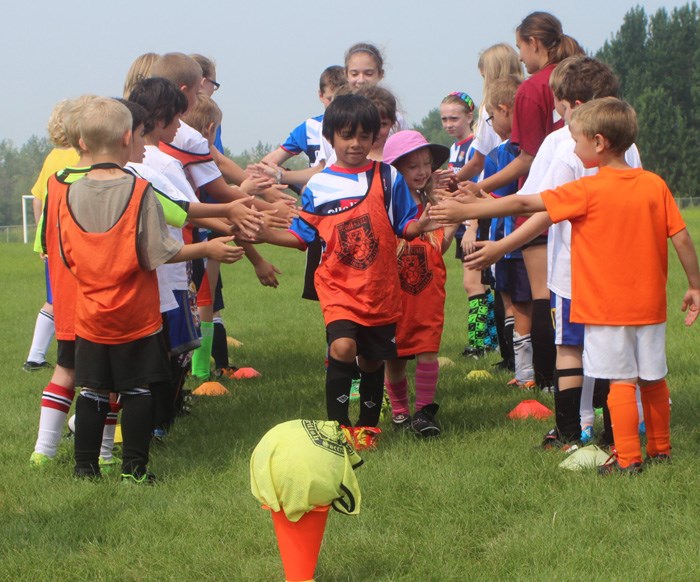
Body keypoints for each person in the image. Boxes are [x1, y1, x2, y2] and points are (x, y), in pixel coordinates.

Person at [432, 97, 700, 474]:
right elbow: (683, 238)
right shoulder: (654, 184)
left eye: (577, 140)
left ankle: (627, 458)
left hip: (607, 310)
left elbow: (526, 204)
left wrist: (467, 211)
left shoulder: (587, 190)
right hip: (650, 307)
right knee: (652, 378)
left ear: (600, 142)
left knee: (621, 381)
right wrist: (695, 286)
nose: (573, 147)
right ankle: (660, 449)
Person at [56, 97, 244, 482]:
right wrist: (207, 248)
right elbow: (158, 251)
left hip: (90, 313)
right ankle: (135, 470)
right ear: (128, 138)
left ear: (83, 143)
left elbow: (66, 252)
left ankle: (85, 468)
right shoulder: (140, 190)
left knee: (92, 391)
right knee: (137, 391)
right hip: (136, 314)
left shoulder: (68, 192)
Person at [462, 58, 641, 449]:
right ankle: (617, 436)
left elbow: (535, 205)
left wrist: (492, 233)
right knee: (612, 352)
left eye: (557, 102)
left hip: (574, 271)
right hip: (618, 272)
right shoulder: (627, 145)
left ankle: (570, 432)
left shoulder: (562, 143)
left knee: (570, 348)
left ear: (571, 104)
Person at [256, 94, 436, 447]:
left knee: (371, 360)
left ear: (374, 139)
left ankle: (367, 428)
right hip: (337, 286)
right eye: (346, 135)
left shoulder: (388, 177)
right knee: (341, 347)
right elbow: (301, 236)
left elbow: (405, 225)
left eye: (364, 136)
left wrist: (422, 224)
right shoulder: (319, 185)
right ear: (331, 137)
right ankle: (336, 428)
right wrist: (264, 234)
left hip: (380, 288)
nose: (355, 143)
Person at [464, 13, 583, 391]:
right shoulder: (574, 76)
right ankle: (591, 385)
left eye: (520, 47)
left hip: (540, 200)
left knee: (543, 296)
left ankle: (549, 381)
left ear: (535, 42)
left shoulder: (534, 87)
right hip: (584, 200)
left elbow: (528, 158)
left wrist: (480, 193)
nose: (520, 57)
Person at [382, 130, 456, 436]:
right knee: (394, 354)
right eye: (412, 166)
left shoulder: (435, 201)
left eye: (426, 164)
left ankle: (424, 412)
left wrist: (451, 225)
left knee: (427, 349)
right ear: (396, 170)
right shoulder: (389, 204)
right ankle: (400, 411)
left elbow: (440, 247)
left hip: (428, 292)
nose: (422, 170)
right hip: (396, 294)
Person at [23, 100, 80, 372]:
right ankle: (38, 356)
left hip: (48, 240)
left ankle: (36, 355)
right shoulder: (78, 157)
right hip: (68, 240)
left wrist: (41, 232)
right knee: (61, 299)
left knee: (55, 297)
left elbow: (37, 198)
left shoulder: (52, 156)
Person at [262, 65, 347, 168]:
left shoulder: (361, 128)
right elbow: (269, 162)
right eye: (330, 99)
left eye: (339, 99)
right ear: (320, 95)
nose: (335, 105)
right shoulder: (309, 128)